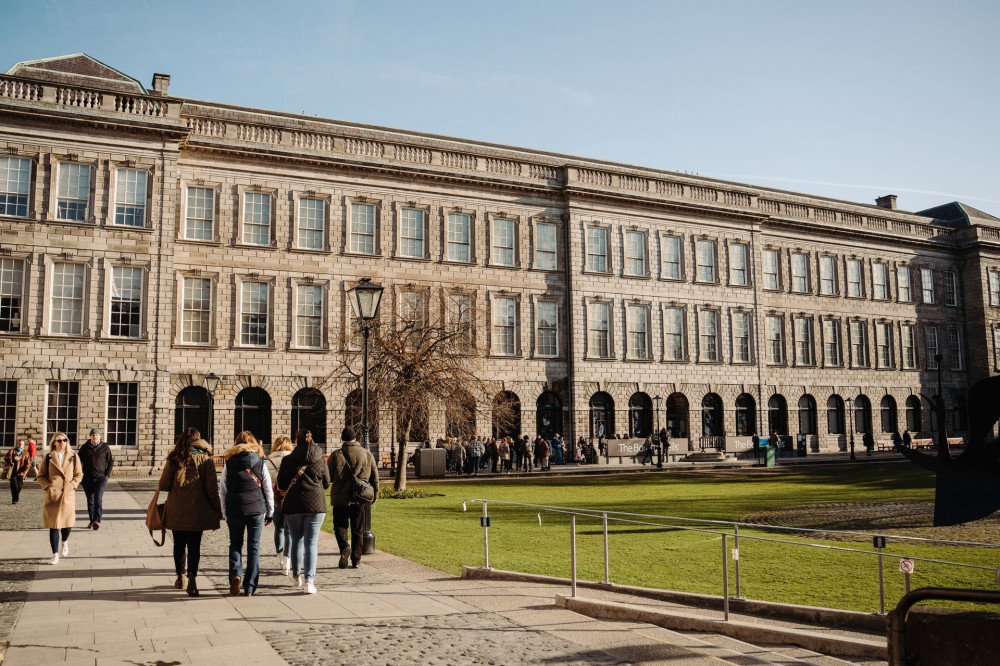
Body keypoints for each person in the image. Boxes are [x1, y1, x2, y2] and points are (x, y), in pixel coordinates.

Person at [158, 428, 221, 596]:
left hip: (176, 510)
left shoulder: (173, 458)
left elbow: (163, 485)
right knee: (194, 546)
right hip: (197, 511)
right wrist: (218, 509)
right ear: (198, 440)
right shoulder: (206, 460)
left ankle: (180, 576)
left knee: (179, 544)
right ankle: (193, 577)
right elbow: (212, 490)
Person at [220, 431, 273, 597]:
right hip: (256, 509)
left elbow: (223, 490)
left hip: (235, 509)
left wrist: (225, 513)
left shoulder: (228, 463)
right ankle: (249, 586)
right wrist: (270, 511)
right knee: (254, 547)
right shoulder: (260, 462)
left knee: (235, 544)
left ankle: (236, 574)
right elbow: (267, 488)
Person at [279, 429, 330, 594]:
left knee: (296, 541)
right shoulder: (319, 459)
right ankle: (309, 581)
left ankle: (296, 576)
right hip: (316, 504)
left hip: (293, 504)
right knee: (311, 543)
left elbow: (281, 484)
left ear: (296, 441)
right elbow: (327, 482)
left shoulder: (288, 460)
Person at [328, 427, 378, 569]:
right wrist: (376, 493)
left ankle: (344, 547)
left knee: (339, 525)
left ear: (342, 439)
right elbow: (375, 476)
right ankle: (356, 559)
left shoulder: (336, 455)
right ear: (355, 439)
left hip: (340, 498)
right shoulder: (366, 454)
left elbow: (329, 477)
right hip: (359, 497)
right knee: (357, 529)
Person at [37, 432, 83, 565]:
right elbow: (40, 476)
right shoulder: (48, 457)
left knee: (67, 526)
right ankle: (55, 554)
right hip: (53, 495)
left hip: (67, 495)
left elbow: (79, 474)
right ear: (54, 443)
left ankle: (64, 541)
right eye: (59, 441)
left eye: (64, 440)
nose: (62, 442)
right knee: (53, 526)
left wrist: (73, 485)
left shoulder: (74, 456)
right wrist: (47, 487)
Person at [267, 435, 294, 574]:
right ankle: (287, 561)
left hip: (275, 498)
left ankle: (279, 556)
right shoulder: (293, 461)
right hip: (290, 499)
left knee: (279, 529)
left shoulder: (269, 462)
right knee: (289, 531)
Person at [79, 427, 114, 530]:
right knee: (90, 500)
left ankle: (97, 520)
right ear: (90, 436)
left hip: (101, 478)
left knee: (98, 498)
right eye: (93, 435)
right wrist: (79, 475)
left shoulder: (105, 447)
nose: (95, 437)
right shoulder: (84, 447)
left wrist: (107, 475)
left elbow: (110, 461)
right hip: (87, 478)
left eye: (97, 435)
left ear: (100, 436)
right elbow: (77, 461)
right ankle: (91, 521)